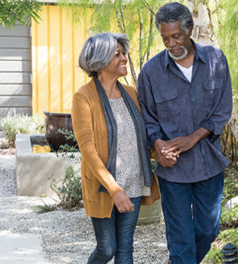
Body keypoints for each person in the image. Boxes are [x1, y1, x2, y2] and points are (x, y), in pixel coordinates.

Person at [138, 2, 233, 263]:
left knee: (208, 231)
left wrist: (193, 137)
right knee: (180, 242)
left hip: (209, 164)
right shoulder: (150, 73)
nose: (171, 44)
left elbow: (223, 110)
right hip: (173, 170)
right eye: (165, 38)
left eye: (176, 36)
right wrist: (158, 146)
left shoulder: (215, 60)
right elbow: (147, 119)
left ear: (189, 29)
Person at [71, 32, 160, 264]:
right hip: (104, 187)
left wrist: (163, 151)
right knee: (107, 248)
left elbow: (143, 137)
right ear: (100, 61)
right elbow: (87, 149)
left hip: (133, 181)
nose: (124, 58)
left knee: (125, 250)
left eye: (124, 53)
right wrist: (114, 189)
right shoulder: (84, 97)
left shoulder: (131, 93)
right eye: (117, 54)